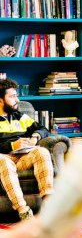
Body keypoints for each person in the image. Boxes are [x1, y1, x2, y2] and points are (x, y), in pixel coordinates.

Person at [0, 78, 54, 221]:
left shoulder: (20, 116)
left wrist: (35, 137)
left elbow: (43, 129)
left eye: (16, 95)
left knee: (41, 151)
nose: (17, 99)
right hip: (3, 159)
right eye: (12, 96)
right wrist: (12, 145)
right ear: (0, 100)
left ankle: (48, 203)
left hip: (22, 157)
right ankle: (23, 210)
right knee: (2, 161)